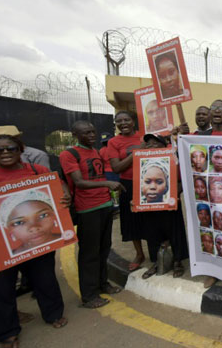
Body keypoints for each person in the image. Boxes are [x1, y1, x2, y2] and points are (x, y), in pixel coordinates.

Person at [0, 134, 69, 347]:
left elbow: (59, 185)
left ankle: (54, 314)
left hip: (39, 242)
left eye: (11, 148)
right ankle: (7, 332)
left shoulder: (37, 171)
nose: (6, 152)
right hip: (2, 245)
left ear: (21, 150)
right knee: (2, 288)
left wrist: (65, 194)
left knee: (45, 278)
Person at [59, 120, 125, 310]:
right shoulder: (68, 154)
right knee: (89, 253)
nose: (91, 136)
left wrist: (109, 191)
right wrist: (107, 184)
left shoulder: (94, 151)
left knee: (104, 248)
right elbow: (79, 182)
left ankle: (102, 284)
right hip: (87, 209)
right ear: (75, 135)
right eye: (86, 133)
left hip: (104, 205)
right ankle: (88, 295)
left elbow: (97, 176)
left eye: (93, 132)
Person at [139, 134, 188, 279]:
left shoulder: (174, 157)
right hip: (149, 204)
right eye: (148, 144)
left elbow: (182, 179)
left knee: (174, 231)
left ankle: (178, 261)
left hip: (169, 201)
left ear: (164, 145)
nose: (151, 146)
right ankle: (156, 262)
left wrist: (174, 193)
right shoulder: (141, 160)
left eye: (155, 143)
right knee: (152, 232)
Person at [107, 110, 146, 271]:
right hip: (127, 184)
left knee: (150, 218)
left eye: (126, 120)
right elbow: (116, 167)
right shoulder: (113, 142)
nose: (123, 123)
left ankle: (156, 251)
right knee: (131, 221)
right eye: (119, 121)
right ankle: (139, 254)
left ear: (133, 122)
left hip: (146, 182)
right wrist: (138, 153)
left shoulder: (144, 137)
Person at [1, 189, 62, 255]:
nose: (34, 227)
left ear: (53, 215)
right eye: (19, 222)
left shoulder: (68, 239)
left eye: (43, 215)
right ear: (10, 230)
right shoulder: (11, 259)